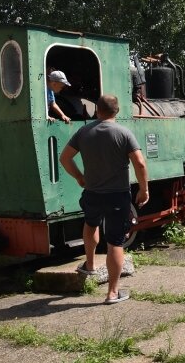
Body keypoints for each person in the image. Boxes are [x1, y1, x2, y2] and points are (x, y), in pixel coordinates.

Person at [59, 94, 149, 305]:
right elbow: (140, 163)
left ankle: (90, 265)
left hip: (92, 192)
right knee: (115, 242)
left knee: (91, 224)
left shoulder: (83, 132)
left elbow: (64, 158)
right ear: (116, 112)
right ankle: (112, 293)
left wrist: (80, 177)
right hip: (117, 194)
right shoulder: (123, 133)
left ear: (97, 110)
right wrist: (144, 189)